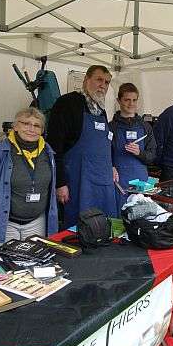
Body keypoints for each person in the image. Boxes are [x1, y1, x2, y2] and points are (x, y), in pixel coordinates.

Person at [0, 107, 58, 254]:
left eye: (36, 125)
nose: (31, 129)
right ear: (15, 126)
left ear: (42, 130)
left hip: (37, 222)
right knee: (7, 270)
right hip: (5, 224)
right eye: (25, 123)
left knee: (34, 265)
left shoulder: (47, 152)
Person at [47, 65, 117, 228]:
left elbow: (104, 144)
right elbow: (53, 147)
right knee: (78, 229)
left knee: (102, 228)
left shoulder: (101, 110)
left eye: (107, 82)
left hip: (102, 183)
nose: (103, 85)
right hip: (77, 183)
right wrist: (60, 183)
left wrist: (111, 166)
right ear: (86, 80)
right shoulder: (67, 103)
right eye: (99, 79)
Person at [109, 83, 156, 213]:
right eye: (127, 100)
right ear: (119, 101)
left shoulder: (146, 127)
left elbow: (152, 157)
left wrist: (140, 153)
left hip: (141, 181)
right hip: (119, 181)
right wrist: (110, 167)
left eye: (134, 100)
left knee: (140, 219)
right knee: (120, 218)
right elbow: (104, 154)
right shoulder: (111, 127)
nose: (131, 104)